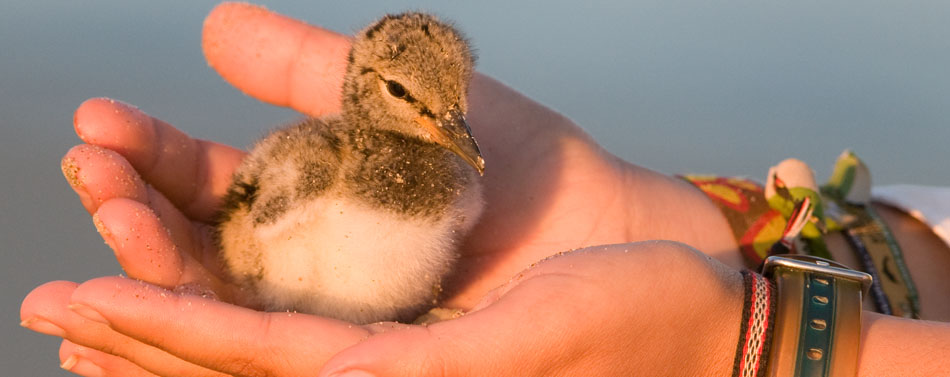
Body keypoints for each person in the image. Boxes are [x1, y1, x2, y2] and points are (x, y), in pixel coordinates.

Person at [19, 3, 950, 376]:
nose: (455, 131)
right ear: (366, 93)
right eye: (415, 103)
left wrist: (733, 346)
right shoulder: (312, 164)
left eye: (452, 108)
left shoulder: (455, 175)